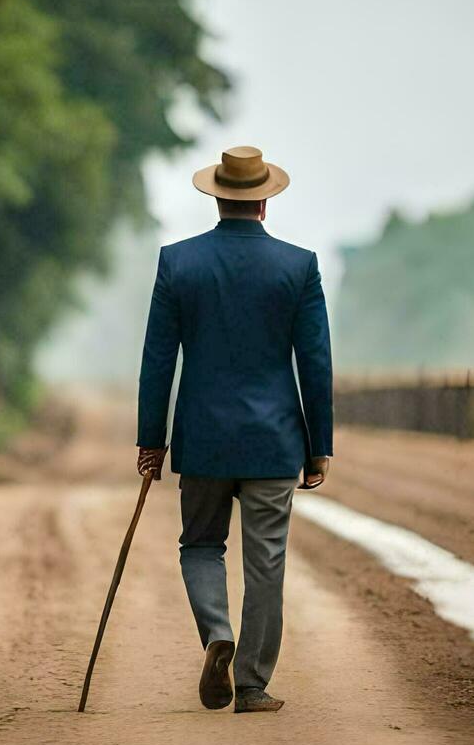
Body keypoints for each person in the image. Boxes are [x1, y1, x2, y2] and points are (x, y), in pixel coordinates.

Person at [136, 145, 333, 714]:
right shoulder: (299, 267)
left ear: (219, 198)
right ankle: (251, 683)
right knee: (266, 561)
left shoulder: (179, 262)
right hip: (274, 442)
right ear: (265, 203)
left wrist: (152, 439)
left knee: (200, 545)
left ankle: (217, 631)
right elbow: (314, 362)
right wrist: (319, 447)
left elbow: (158, 359)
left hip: (202, 440)